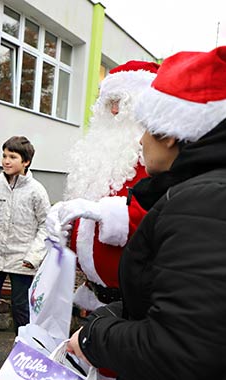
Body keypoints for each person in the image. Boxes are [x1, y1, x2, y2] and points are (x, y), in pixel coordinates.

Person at [66, 46, 226, 380]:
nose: (141, 139)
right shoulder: (202, 190)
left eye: (146, 126)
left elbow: (181, 348)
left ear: (169, 133)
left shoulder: (203, 202)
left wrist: (92, 336)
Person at [46, 61, 160, 316]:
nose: (116, 110)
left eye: (123, 102)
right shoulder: (96, 156)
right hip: (93, 294)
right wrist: (63, 223)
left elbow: (157, 216)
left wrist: (107, 214)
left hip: (132, 301)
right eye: (110, 103)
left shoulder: (153, 159)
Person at [0, 135, 51, 368]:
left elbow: (46, 225)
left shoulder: (37, 191)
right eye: (4, 155)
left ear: (25, 162)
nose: (6, 160)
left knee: (21, 309)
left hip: (22, 261)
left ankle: (22, 349)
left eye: (12, 157)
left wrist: (33, 256)